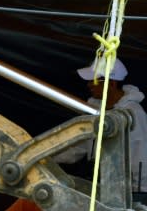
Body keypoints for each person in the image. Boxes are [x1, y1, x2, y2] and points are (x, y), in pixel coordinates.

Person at [55, 57, 147, 193]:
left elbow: (140, 158)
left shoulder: (133, 113)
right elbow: (76, 146)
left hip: (123, 193)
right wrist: (44, 155)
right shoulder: (94, 111)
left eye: (95, 80)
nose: (89, 85)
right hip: (98, 186)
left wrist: (140, 195)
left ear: (112, 83)